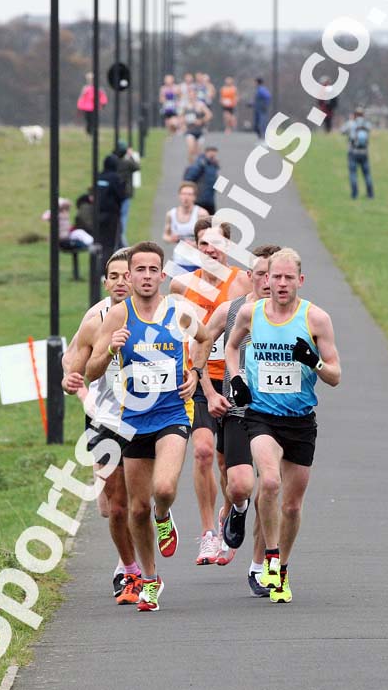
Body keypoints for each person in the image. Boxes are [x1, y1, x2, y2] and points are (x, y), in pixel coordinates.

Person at [86, 241, 213, 612]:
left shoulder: (179, 311)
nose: (144, 276)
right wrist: (111, 348)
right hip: (132, 421)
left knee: (163, 488)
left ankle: (164, 515)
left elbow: (204, 339)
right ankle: (151, 579)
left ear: (162, 274)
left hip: (173, 414)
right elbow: (91, 371)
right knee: (136, 509)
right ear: (129, 276)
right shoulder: (118, 317)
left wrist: (194, 371)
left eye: (151, 270)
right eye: (137, 270)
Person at [225, 248, 341, 603]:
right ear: (266, 279)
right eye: (276, 276)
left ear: (300, 281)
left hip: (300, 421)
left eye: (289, 277)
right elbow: (231, 348)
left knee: (292, 505)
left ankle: (282, 566)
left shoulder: (316, 319)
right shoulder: (250, 313)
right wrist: (237, 378)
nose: (281, 283)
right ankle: (269, 558)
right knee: (270, 481)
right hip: (262, 416)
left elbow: (335, 375)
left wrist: (314, 361)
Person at [61, 250, 144, 605]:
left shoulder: (155, 315)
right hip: (106, 418)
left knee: (144, 500)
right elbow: (73, 361)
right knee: (115, 505)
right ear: (106, 282)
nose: (122, 282)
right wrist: (72, 383)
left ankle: (159, 518)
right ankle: (127, 568)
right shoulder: (95, 318)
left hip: (147, 417)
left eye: (127, 275)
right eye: (114, 276)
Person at [170, 220, 252, 565]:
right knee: (202, 452)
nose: (210, 250)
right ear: (196, 247)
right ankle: (207, 534)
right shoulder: (181, 285)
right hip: (198, 379)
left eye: (217, 243)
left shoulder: (243, 282)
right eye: (204, 244)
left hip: (232, 380)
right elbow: (175, 335)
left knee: (225, 463)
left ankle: (235, 507)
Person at [201, 244, 280, 588]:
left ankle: (259, 565)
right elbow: (198, 347)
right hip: (237, 409)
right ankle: (236, 508)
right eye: (260, 273)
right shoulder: (230, 310)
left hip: (279, 414)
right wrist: (209, 392)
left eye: (273, 274)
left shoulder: (295, 316)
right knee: (241, 485)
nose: (267, 280)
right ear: (249, 276)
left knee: (271, 486)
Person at [163, 182, 209, 274]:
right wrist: (171, 239)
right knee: (176, 288)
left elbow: (209, 239)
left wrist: (194, 244)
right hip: (178, 262)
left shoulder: (201, 214)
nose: (186, 197)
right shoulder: (171, 214)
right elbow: (165, 236)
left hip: (197, 263)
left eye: (189, 194)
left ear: (194, 197)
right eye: (183, 194)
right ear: (179, 196)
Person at [96, 154, 126, 275]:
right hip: (111, 215)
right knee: (110, 243)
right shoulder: (116, 178)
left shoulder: (99, 176)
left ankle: (99, 267)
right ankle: (106, 270)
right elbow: (121, 195)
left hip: (97, 215)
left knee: (101, 242)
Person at [341, 107, 374, 199]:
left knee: (353, 173)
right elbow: (370, 129)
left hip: (353, 152)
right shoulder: (366, 124)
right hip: (364, 152)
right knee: (367, 174)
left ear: (355, 114)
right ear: (363, 114)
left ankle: (355, 194)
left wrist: (351, 120)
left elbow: (342, 131)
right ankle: (370, 194)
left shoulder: (351, 123)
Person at [113, 141, 140, 247]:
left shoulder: (114, 162)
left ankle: (119, 239)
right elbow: (137, 166)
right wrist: (131, 155)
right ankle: (122, 241)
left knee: (118, 217)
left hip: (116, 194)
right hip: (125, 194)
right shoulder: (127, 162)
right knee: (123, 217)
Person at [183, 145, 220, 215]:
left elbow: (214, 180)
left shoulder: (214, 165)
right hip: (199, 200)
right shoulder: (200, 164)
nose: (213, 154)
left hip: (209, 199)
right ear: (206, 152)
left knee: (211, 222)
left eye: (214, 152)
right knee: (198, 221)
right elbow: (188, 179)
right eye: (211, 152)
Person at [181, 88, 212, 164]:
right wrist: (183, 125)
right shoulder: (186, 105)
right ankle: (191, 166)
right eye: (190, 95)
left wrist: (201, 121)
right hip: (190, 130)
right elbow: (181, 117)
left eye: (193, 94)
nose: (191, 96)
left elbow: (209, 115)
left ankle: (197, 168)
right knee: (191, 149)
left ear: (195, 95)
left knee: (198, 152)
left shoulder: (200, 105)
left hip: (199, 131)